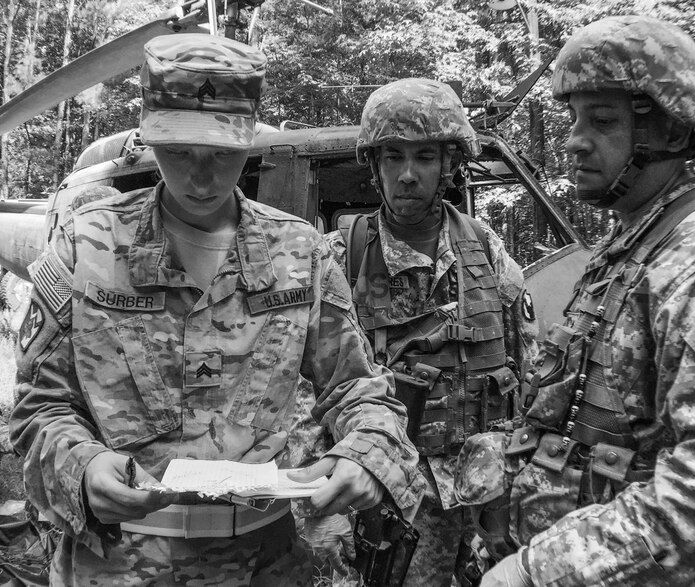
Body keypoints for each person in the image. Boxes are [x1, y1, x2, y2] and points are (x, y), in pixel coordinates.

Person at [9, 34, 421, 586]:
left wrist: (366, 453)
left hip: (264, 564)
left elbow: (358, 390)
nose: (200, 177)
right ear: (149, 138)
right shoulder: (86, 244)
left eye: (222, 153)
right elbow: (41, 408)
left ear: (248, 140)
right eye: (178, 152)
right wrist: (78, 469)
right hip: (118, 567)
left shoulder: (298, 253)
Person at [454, 15, 695, 586]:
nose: (573, 140)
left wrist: (538, 570)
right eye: (573, 119)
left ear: (668, 133)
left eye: (602, 121)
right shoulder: (631, 242)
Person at [324, 77, 538, 586]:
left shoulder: (486, 249)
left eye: (424, 157)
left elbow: (528, 374)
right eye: (393, 157)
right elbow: (313, 392)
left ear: (448, 165)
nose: (407, 175)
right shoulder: (338, 257)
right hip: (390, 506)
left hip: (484, 499)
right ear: (374, 167)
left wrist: (518, 480)